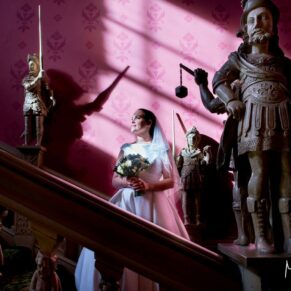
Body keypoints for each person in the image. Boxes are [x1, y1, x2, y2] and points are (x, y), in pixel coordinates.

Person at [75, 108, 189, 291]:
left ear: (149, 122)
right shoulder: (127, 149)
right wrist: (127, 182)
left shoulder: (161, 148)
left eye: (137, 117)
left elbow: (170, 180)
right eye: (131, 118)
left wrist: (148, 186)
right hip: (126, 202)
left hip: (153, 205)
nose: (133, 121)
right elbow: (115, 180)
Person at [212, 0, 291, 254]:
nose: (259, 23)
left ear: (274, 25)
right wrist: (231, 99)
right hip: (253, 119)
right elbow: (218, 81)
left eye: (265, 17)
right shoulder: (238, 60)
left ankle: (289, 235)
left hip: (284, 118)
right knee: (260, 171)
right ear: (245, 28)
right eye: (253, 19)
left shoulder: (282, 62)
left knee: (288, 172)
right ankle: (261, 235)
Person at [193, 68, 252, 246]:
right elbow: (212, 105)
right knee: (241, 185)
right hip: (242, 141)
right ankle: (245, 234)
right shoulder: (237, 89)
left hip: (270, 138)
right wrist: (202, 84)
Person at [176, 126, 211, 226]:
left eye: (194, 138)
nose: (192, 140)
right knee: (185, 197)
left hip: (196, 176)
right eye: (190, 138)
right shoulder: (183, 152)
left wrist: (208, 153)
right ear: (187, 139)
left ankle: (197, 218)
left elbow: (206, 162)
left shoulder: (199, 152)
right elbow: (178, 166)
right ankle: (186, 218)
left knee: (197, 198)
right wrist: (177, 160)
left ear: (197, 140)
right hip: (185, 176)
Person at [22, 53, 55, 146]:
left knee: (39, 125)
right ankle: (26, 143)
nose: (31, 67)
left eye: (33, 65)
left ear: (37, 66)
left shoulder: (42, 78)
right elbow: (28, 87)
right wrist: (38, 78)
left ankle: (38, 143)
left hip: (38, 102)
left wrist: (52, 97)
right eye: (30, 65)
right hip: (28, 103)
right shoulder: (26, 79)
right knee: (27, 126)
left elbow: (48, 89)